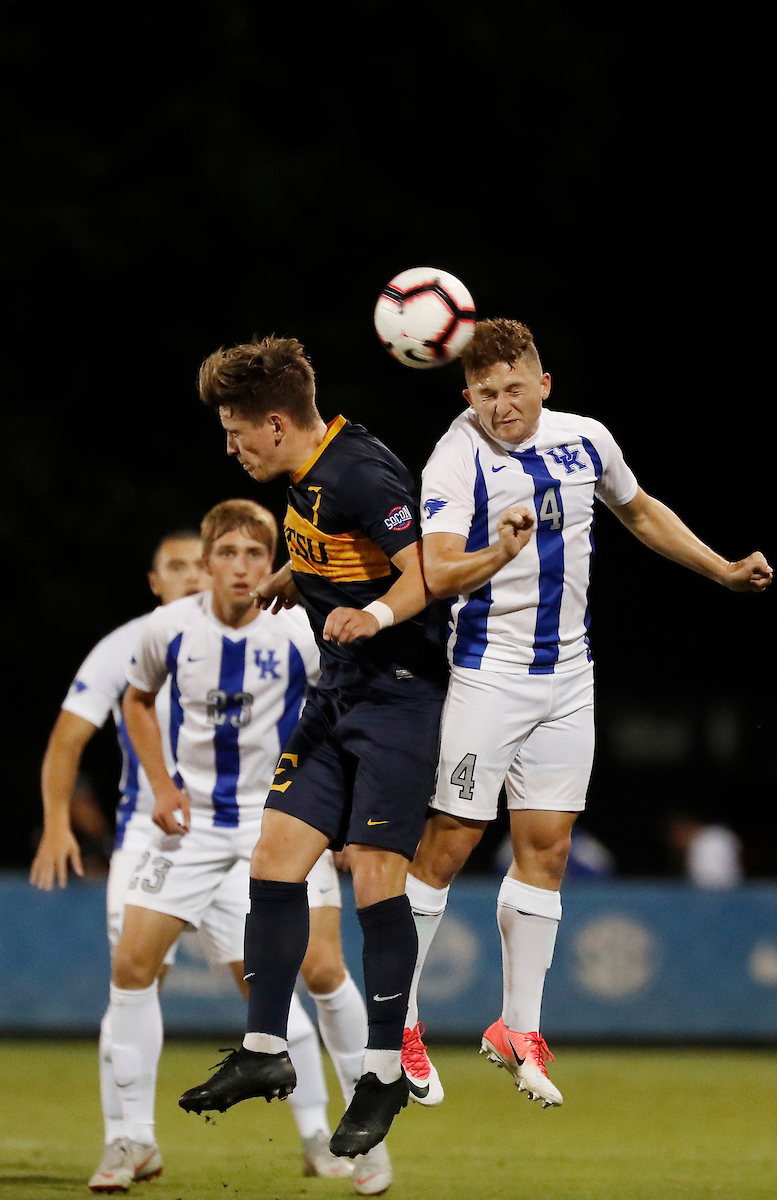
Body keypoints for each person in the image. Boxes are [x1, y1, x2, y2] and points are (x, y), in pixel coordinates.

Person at [400, 317, 773, 1109]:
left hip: (569, 677)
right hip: (488, 675)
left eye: (514, 389)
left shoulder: (585, 440)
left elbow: (639, 511)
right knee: (451, 843)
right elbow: (433, 570)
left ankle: (517, 1030)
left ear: (544, 383)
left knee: (550, 847)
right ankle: (394, 1015)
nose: (502, 405)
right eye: (486, 393)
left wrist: (719, 570)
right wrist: (498, 551)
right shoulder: (455, 456)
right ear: (467, 395)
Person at [179, 337, 447, 1162]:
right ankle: (265, 1054)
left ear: (274, 422)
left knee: (371, 873)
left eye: (235, 431)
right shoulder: (306, 480)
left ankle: (380, 1074)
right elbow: (343, 549)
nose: (231, 448)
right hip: (336, 696)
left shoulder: (362, 471)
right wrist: (300, 576)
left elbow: (424, 572)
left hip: (400, 697)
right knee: (273, 860)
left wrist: (374, 615)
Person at [119, 499, 388, 1194]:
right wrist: (161, 786)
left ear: (274, 566)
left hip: (283, 820)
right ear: (206, 563)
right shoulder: (168, 629)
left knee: (324, 968)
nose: (242, 568)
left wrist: (344, 813)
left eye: (256, 556)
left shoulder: (299, 630)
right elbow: (137, 701)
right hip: (199, 824)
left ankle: (368, 1133)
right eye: (228, 555)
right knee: (132, 964)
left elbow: (345, 713)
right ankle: (130, 1139)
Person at [29, 530, 210, 1191]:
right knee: (134, 981)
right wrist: (56, 825)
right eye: (177, 566)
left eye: (202, 563)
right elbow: (66, 739)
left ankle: (319, 1135)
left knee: (294, 974)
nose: (194, 576)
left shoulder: (262, 637)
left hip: (242, 836)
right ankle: (128, 1138)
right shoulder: (127, 645)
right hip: (151, 838)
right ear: (154, 581)